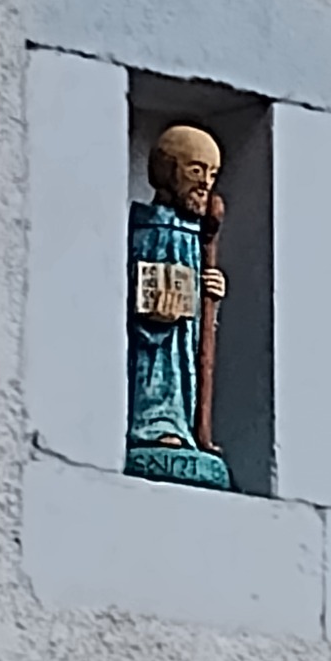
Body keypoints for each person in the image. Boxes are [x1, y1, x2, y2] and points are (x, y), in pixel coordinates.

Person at [126, 124, 226, 450]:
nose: (205, 182)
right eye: (196, 170)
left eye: (212, 174)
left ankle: (187, 428)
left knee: (184, 366)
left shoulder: (197, 232)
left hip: (185, 336)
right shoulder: (149, 227)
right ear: (167, 171)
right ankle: (155, 424)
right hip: (158, 337)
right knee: (160, 360)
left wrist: (211, 292)